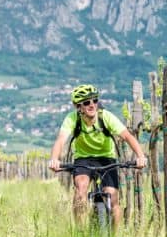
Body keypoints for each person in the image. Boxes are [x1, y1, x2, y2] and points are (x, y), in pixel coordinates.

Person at [48, 84, 147, 228]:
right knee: (81, 190)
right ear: (78, 106)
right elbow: (61, 140)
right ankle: (80, 233)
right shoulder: (72, 119)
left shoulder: (105, 117)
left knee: (113, 198)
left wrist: (140, 156)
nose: (92, 105)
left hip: (106, 158)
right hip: (84, 159)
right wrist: (54, 159)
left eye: (95, 100)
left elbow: (127, 136)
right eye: (87, 102)